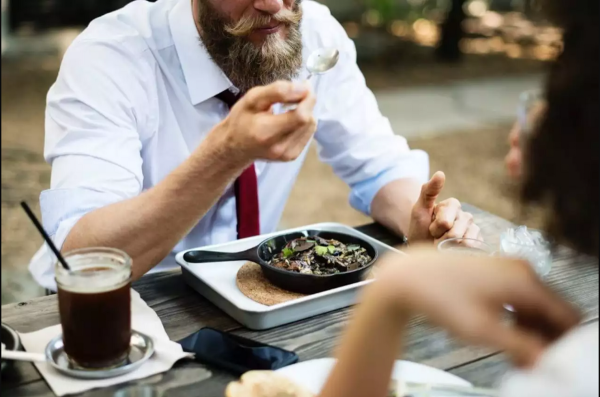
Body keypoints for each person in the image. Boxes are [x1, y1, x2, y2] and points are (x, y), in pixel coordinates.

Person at [29, 0, 482, 290]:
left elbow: (377, 166)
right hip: (121, 309)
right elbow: (80, 259)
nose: (272, 5)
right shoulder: (113, 56)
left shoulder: (315, 35)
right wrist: (224, 154)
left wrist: (420, 219)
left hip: (254, 297)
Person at [319, 0, 599, 395]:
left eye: (553, 90)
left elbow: (375, 160)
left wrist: (390, 294)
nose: (527, 123)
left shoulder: (565, 377)